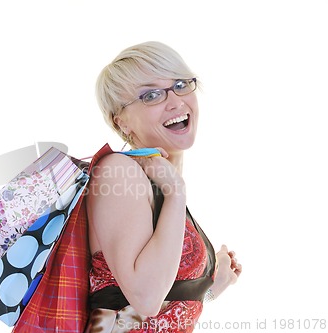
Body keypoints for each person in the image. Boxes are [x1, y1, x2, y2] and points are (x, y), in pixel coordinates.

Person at [84, 41, 242, 332]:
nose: (175, 101)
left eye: (181, 84)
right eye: (151, 95)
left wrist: (213, 288)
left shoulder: (163, 188)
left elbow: (165, 312)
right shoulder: (120, 173)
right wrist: (176, 191)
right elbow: (146, 299)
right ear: (122, 123)